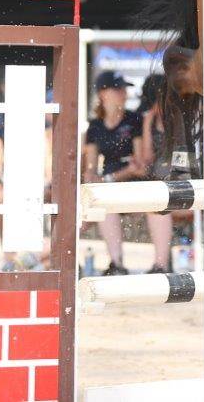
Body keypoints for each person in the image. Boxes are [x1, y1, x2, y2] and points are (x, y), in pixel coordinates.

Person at [81, 70, 145, 275]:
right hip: (109, 184)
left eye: (124, 89)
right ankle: (116, 263)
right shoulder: (95, 126)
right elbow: (90, 168)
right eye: (118, 89)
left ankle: (116, 263)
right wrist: (94, 179)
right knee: (85, 213)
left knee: (104, 201)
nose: (123, 93)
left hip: (131, 185)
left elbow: (139, 167)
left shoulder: (134, 119)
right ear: (103, 94)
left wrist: (107, 178)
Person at [133, 73, 173, 273]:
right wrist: (147, 123)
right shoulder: (148, 118)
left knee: (158, 205)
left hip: (179, 182)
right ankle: (160, 263)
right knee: (156, 204)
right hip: (158, 182)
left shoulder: (178, 118)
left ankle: (161, 264)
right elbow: (147, 158)